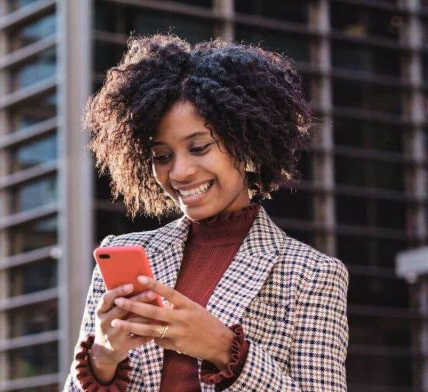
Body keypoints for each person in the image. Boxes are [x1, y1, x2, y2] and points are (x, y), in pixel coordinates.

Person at [63, 34, 349, 392]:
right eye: (162, 156)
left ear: (246, 147)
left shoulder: (311, 275)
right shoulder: (123, 255)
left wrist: (224, 348)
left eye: (198, 148)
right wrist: (103, 358)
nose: (179, 172)